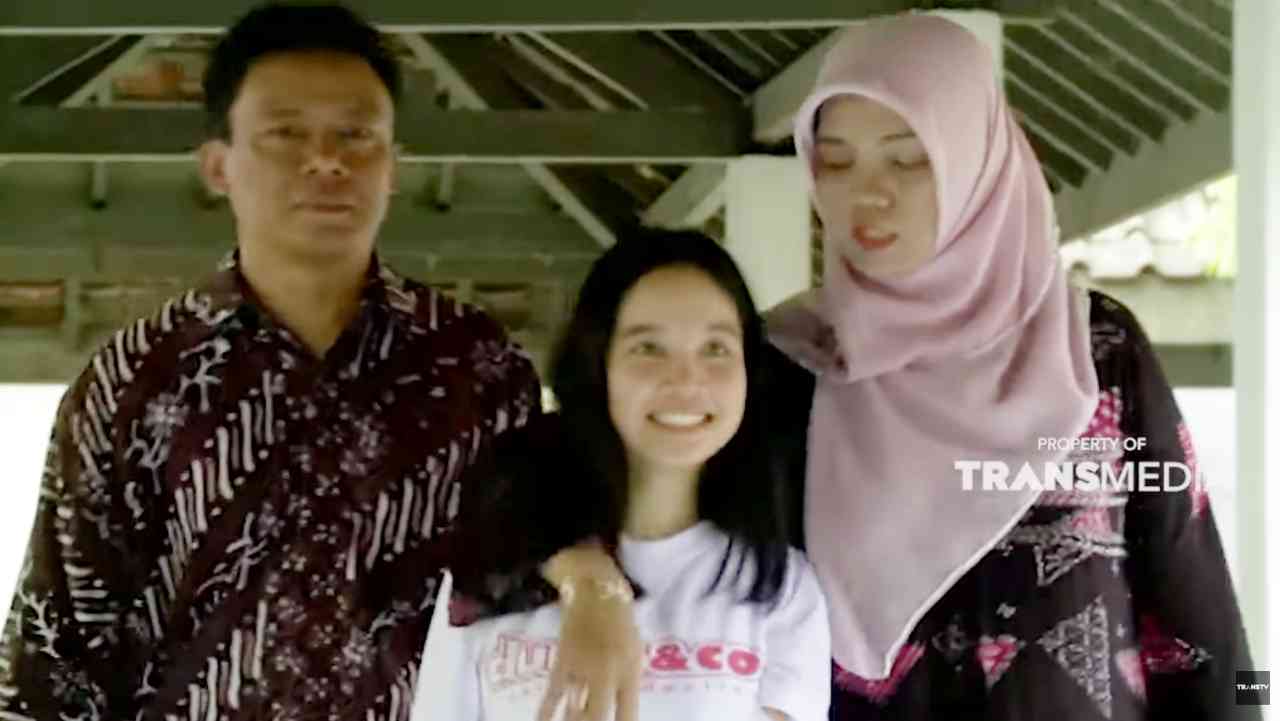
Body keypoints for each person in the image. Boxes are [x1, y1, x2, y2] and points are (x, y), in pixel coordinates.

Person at [512, 13, 1256, 721]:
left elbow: (1203, 631)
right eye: (835, 161)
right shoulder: (785, 367)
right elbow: (549, 476)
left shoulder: (1095, 353)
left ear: (977, 161)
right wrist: (587, 581)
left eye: (908, 158)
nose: (867, 194)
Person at [0, 4, 641, 721]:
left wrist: (592, 582)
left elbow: (531, 562)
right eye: (285, 133)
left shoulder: (477, 368)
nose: (327, 160)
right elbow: (55, 651)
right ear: (218, 166)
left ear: (394, 166)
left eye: (356, 134)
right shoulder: (134, 380)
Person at [420, 230, 830, 721]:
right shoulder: (494, 570)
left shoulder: (781, 587)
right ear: (599, 366)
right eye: (649, 347)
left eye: (715, 348)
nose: (686, 378)